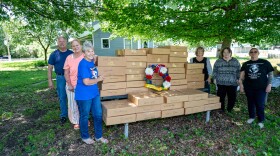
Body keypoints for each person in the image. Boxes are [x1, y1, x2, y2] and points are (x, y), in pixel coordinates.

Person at [75, 41, 108, 144]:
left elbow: (95, 57)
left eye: (92, 51)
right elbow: (86, 81)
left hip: (94, 93)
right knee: (84, 116)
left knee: (98, 114)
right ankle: (85, 137)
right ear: (83, 53)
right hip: (84, 95)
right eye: (88, 51)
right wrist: (99, 79)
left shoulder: (91, 61)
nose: (90, 53)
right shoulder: (83, 64)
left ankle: (99, 136)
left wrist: (94, 56)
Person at [239, 48, 274, 129]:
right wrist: (241, 85)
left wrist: (269, 84)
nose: (253, 53)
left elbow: (271, 75)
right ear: (249, 54)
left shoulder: (265, 62)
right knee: (250, 103)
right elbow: (241, 76)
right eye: (251, 52)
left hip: (261, 88)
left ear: (258, 53)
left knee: (260, 104)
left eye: (255, 52)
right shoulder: (246, 64)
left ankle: (261, 120)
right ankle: (251, 117)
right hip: (249, 87)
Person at [48, 36, 73, 124]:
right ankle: (63, 115)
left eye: (63, 41)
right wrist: (50, 80)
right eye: (60, 41)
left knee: (72, 97)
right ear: (57, 43)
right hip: (60, 77)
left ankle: (73, 114)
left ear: (67, 42)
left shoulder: (71, 53)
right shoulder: (54, 54)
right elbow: (50, 68)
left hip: (71, 77)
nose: (62, 43)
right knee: (62, 97)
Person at [63, 39, 84, 129]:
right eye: (73, 46)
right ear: (71, 48)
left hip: (83, 85)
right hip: (72, 84)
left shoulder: (85, 56)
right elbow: (66, 72)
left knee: (84, 104)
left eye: (77, 45)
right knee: (73, 104)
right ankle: (76, 121)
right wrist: (70, 84)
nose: (75, 47)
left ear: (81, 46)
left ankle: (84, 119)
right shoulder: (69, 58)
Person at [212, 47, 240, 112]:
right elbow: (214, 71)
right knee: (221, 97)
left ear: (230, 53)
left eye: (227, 52)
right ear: (222, 53)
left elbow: (239, 71)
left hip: (232, 82)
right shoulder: (218, 61)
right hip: (221, 82)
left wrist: (239, 79)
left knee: (232, 97)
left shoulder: (235, 61)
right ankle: (221, 109)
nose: (226, 54)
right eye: (224, 52)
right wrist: (214, 78)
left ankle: (229, 109)